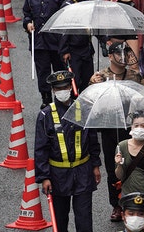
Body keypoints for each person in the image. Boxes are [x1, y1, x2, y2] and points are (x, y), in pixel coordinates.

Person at [34, 71, 102, 232]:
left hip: (83, 170)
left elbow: (92, 140)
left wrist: (95, 165)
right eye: (59, 89)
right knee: (60, 219)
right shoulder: (46, 115)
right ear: (53, 91)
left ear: (71, 88)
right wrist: (44, 177)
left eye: (65, 87)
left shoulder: (83, 109)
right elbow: (41, 148)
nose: (63, 91)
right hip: (58, 173)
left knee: (84, 219)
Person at [89, 41, 144, 222]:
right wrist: (92, 84)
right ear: (110, 56)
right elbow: (90, 103)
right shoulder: (101, 76)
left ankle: (133, 202)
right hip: (109, 127)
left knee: (134, 164)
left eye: (126, 52)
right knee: (114, 167)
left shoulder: (135, 76)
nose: (123, 56)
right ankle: (116, 204)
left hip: (131, 126)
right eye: (118, 53)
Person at [22, 0, 69, 109]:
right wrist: (28, 23)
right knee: (43, 72)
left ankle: (63, 98)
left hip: (57, 42)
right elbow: (26, 14)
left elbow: (67, 12)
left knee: (60, 70)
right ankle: (46, 99)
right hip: (39, 42)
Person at [58, 0, 95, 93]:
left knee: (88, 81)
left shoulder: (84, 3)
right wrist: (64, 50)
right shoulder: (69, 6)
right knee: (74, 82)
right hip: (74, 51)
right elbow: (63, 30)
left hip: (86, 49)